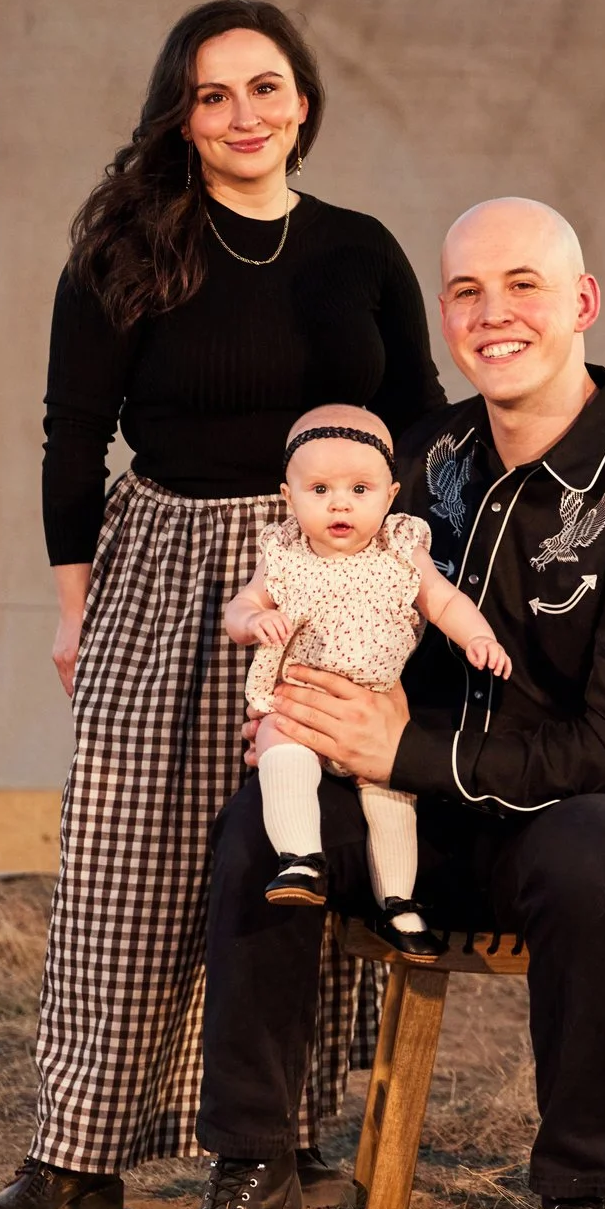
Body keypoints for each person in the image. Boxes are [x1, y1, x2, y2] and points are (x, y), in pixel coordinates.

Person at [160, 196, 605, 1209]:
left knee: (594, 849)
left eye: (523, 284)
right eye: (465, 290)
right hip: (423, 818)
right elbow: (335, 606)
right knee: (265, 818)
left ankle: (577, 1206)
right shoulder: (414, 461)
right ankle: (256, 1170)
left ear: (583, 303)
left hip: (602, 818)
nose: (492, 312)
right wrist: (301, 710)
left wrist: (407, 752)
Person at [0, 0, 445, 1209]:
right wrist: (76, 611)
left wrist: (409, 575)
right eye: (214, 92)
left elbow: (427, 420)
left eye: (268, 88)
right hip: (166, 560)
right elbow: (74, 436)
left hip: (327, 578)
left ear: (305, 103)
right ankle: (73, 1155)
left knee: (280, 855)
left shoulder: (359, 251)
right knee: (121, 863)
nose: (245, 115)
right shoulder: (126, 251)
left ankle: (276, 1142)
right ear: (179, 112)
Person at [225, 402, 510, 957]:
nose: (340, 504)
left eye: (360, 489)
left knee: (391, 794)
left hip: (378, 710)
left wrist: (478, 636)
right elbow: (241, 606)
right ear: (289, 496)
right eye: (321, 489)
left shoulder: (401, 547)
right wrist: (254, 620)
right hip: (298, 704)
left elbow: (442, 600)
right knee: (280, 751)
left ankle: (399, 903)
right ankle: (300, 860)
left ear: (390, 493)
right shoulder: (283, 552)